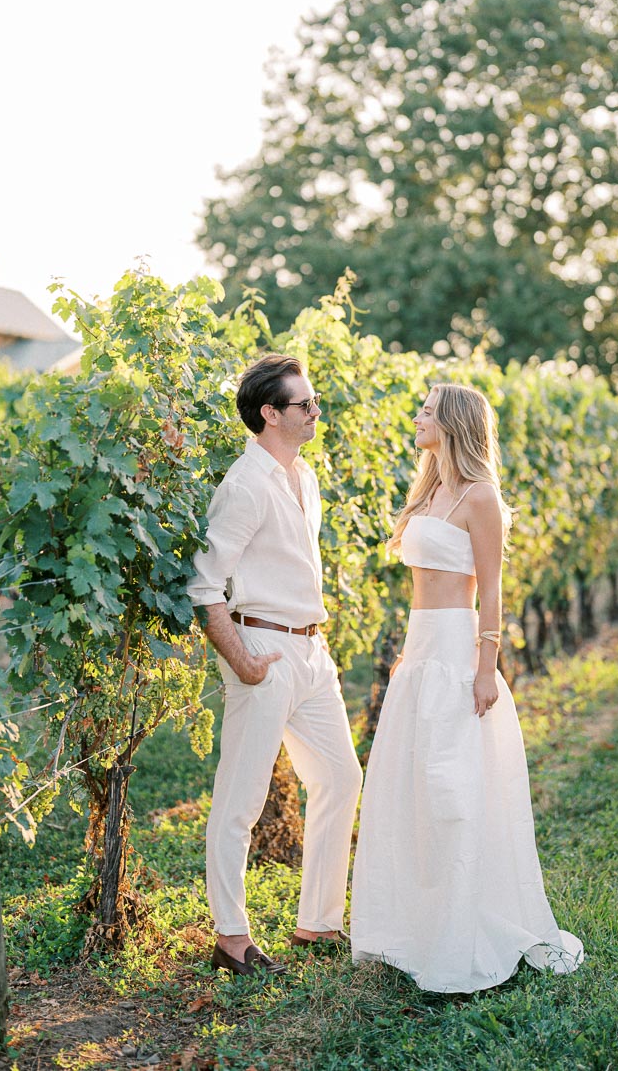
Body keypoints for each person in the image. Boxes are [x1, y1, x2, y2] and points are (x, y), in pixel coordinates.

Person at [351, 383, 584, 993]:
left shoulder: (482, 497)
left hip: (458, 650)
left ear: (452, 421)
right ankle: (416, 925)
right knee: (412, 789)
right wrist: (406, 655)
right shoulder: (428, 492)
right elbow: (419, 588)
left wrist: (487, 664)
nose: (417, 417)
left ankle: (463, 932)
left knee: (453, 788)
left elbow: (491, 587)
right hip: (421, 651)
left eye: (426, 410)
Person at [187, 353, 363, 977]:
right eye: (305, 405)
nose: (316, 412)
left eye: (315, 403)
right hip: (263, 649)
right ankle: (231, 938)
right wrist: (245, 661)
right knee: (241, 801)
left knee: (341, 778)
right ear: (269, 414)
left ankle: (317, 923)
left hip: (312, 652)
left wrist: (313, 645)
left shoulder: (305, 478)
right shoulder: (244, 485)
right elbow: (204, 587)